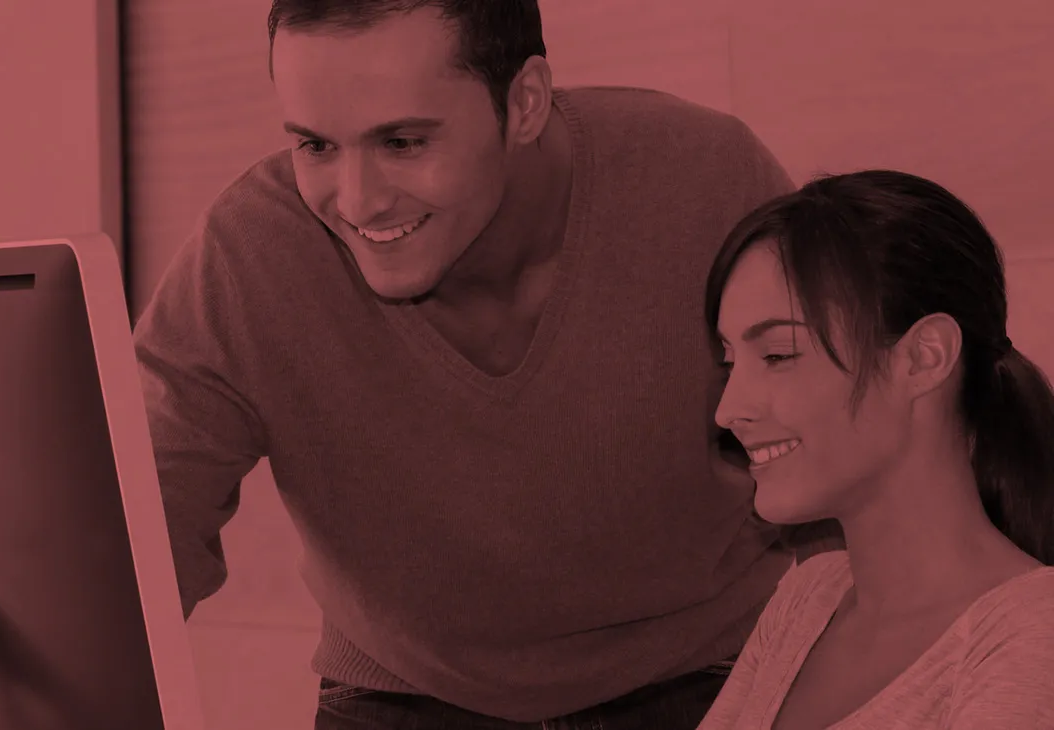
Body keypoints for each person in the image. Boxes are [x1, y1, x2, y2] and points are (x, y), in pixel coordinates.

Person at [132, 1, 834, 727]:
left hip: (710, 670)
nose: (359, 200)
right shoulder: (251, 251)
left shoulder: (703, 179)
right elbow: (137, 529)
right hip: (401, 690)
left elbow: (846, 456)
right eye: (315, 146)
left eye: (403, 142)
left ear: (524, 102)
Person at [695, 170, 1054, 729]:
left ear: (924, 357)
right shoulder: (808, 597)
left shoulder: (1031, 641)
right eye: (730, 361)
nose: (728, 410)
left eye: (778, 355)